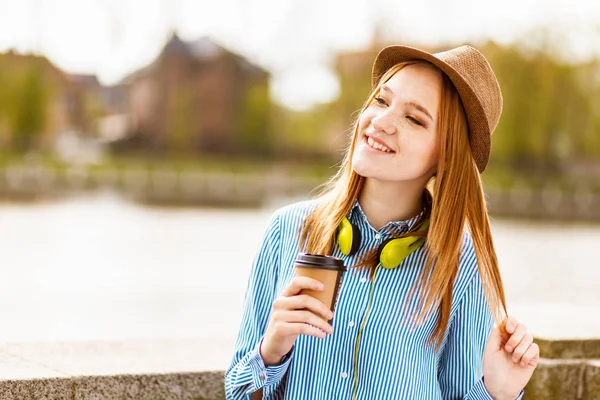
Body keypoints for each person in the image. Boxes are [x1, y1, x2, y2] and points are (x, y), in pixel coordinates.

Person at [225, 44, 540, 400]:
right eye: (381, 100)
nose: (382, 121)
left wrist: (498, 391)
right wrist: (271, 351)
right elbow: (238, 392)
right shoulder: (288, 230)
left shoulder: (461, 265)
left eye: (414, 118)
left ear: (445, 156)